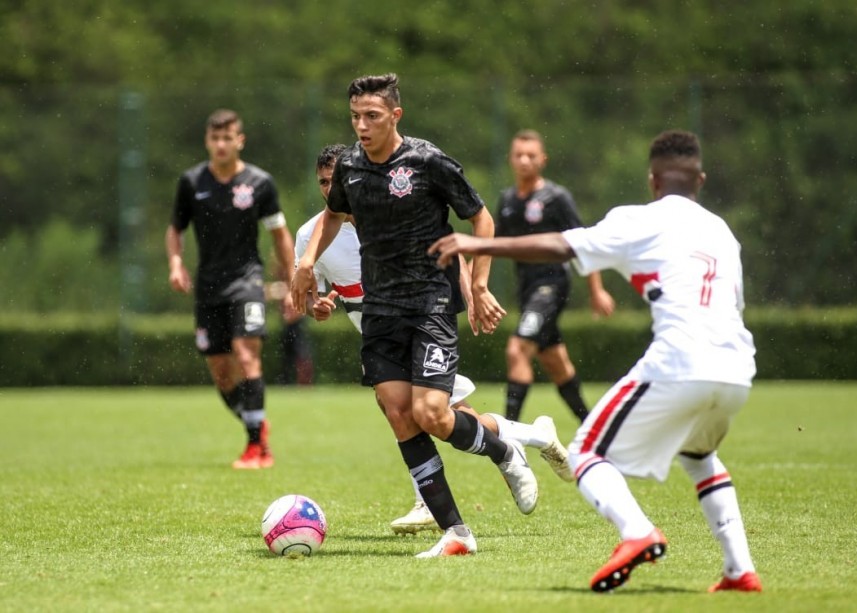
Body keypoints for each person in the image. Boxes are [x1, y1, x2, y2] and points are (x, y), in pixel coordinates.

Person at [429, 130, 762, 593]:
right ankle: (739, 570)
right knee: (700, 455)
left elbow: (562, 247)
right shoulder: (721, 231)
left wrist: (477, 246)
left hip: (681, 361)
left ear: (652, 181)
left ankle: (637, 532)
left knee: (586, 452)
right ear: (700, 180)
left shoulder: (641, 219)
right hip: (738, 369)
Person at [291, 74, 536, 558]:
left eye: (372, 117)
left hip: (428, 303)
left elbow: (481, 219)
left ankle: (504, 450)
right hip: (380, 313)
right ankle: (457, 533)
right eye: (355, 117)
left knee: (431, 414)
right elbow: (334, 215)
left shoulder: (426, 160)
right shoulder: (351, 168)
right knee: (400, 415)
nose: (362, 126)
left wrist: (481, 284)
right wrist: (303, 264)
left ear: (395, 116)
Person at [166, 108, 296, 470]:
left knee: (245, 353)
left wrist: (290, 282)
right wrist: (176, 263)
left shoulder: (260, 183)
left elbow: (280, 235)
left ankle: (257, 448)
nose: (221, 144)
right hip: (208, 286)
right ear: (207, 141)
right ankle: (257, 423)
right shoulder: (191, 183)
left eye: (228, 138)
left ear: (240, 140)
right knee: (222, 372)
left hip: (247, 282)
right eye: (215, 138)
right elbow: (175, 229)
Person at [495, 130, 615, 423]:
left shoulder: (557, 198)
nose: (524, 160)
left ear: (543, 160)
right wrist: (475, 283)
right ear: (511, 159)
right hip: (527, 290)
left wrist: (596, 290)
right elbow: (494, 245)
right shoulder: (507, 200)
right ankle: (592, 429)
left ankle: (510, 437)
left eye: (531, 155)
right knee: (555, 362)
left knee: (517, 349)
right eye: (519, 155)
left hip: (551, 286)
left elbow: (583, 245)